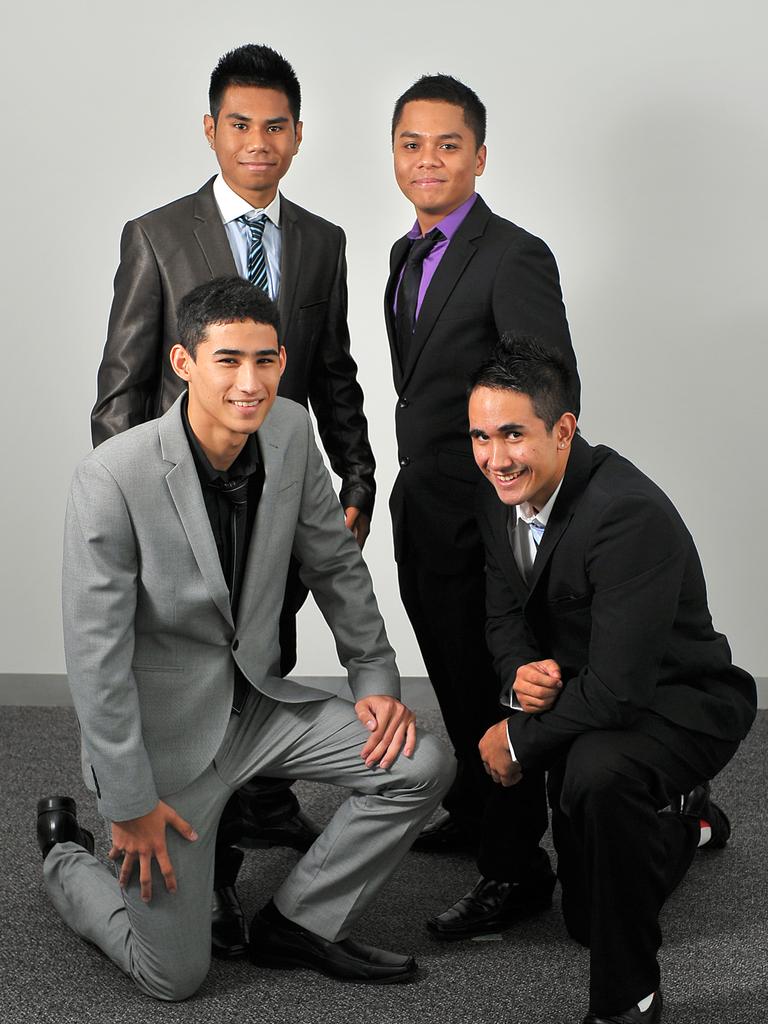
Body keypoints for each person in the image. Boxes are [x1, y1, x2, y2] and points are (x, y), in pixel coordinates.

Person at [37, 277, 452, 1001]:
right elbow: (96, 662)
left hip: (258, 706)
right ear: (183, 363)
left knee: (419, 765)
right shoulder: (113, 478)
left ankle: (298, 920)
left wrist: (375, 680)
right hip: (163, 748)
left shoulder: (291, 432)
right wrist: (127, 803)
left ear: (282, 361)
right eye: (227, 360)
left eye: (264, 360)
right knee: (175, 976)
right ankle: (67, 858)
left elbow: (335, 564)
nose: (249, 382)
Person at [90, 43, 376, 947]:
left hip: (282, 493)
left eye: (276, 126)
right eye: (240, 124)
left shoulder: (323, 241)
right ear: (211, 130)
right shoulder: (158, 233)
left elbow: (333, 374)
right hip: (183, 504)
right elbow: (121, 392)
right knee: (199, 664)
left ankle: (259, 801)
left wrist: (357, 476)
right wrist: (141, 513)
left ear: (299, 135)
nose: (259, 142)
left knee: (267, 651)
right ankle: (202, 863)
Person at [432, 335, 756, 1023]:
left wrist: (517, 741)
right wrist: (519, 671)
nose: (494, 457)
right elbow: (503, 610)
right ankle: (689, 824)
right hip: (595, 694)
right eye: (481, 436)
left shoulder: (626, 514)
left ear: (563, 430)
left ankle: (628, 997)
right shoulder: (499, 492)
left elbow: (620, 691)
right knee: (584, 915)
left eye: (513, 435)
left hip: (676, 700)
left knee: (598, 776)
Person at [384, 74, 579, 853]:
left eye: (448, 144)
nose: (427, 159)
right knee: (451, 674)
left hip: (485, 517)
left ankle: (512, 859)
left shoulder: (513, 256)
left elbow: (549, 385)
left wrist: (513, 510)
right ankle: (475, 807)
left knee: (492, 678)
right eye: (411, 143)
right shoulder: (407, 252)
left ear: (480, 156)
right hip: (421, 505)